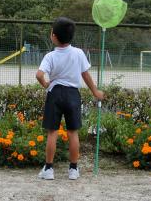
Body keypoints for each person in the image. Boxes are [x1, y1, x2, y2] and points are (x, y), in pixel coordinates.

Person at [36, 17, 104, 180]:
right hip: (73, 94)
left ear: (53, 36)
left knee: (53, 132)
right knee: (73, 132)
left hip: (55, 94)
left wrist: (45, 84)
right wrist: (95, 91)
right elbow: (85, 74)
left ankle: (49, 169)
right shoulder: (79, 53)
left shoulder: (50, 56)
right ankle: (73, 170)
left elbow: (39, 75)